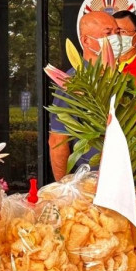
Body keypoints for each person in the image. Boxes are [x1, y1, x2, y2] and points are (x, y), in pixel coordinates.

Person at [48, 11, 120, 181]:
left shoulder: (119, 79)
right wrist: (64, 188)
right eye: (108, 33)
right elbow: (58, 140)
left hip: (120, 181)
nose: (116, 39)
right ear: (86, 40)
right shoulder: (74, 83)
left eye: (118, 32)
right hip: (88, 183)